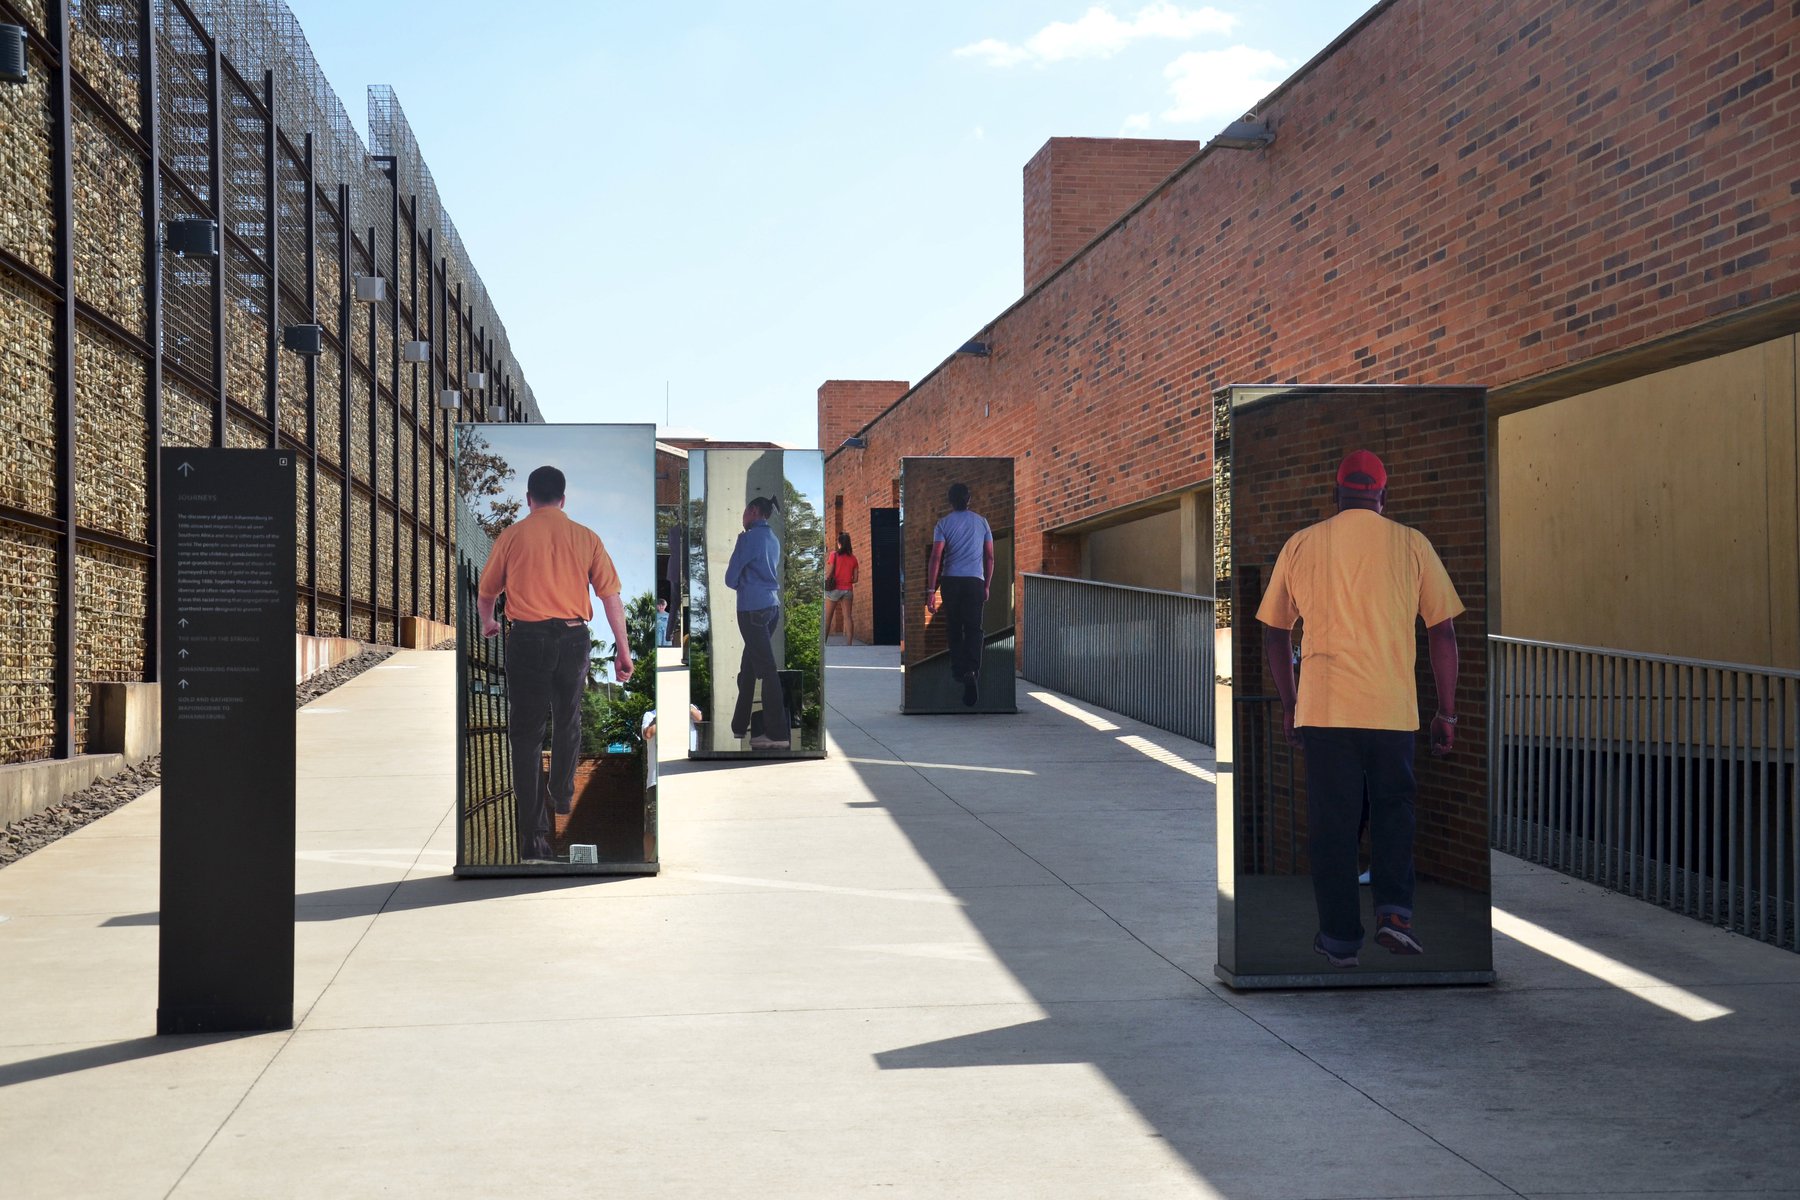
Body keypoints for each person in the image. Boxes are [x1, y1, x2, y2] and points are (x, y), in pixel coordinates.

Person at [1256, 449, 1462, 969]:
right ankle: (1395, 916)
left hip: (1323, 710)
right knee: (1395, 813)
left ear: (1336, 495)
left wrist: (1289, 702)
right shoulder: (1412, 544)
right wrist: (1447, 712)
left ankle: (1340, 940)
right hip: (1392, 710)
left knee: (1333, 826)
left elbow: (1275, 632)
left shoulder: (1302, 543)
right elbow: (1443, 632)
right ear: (1383, 497)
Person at [479, 465, 633, 864]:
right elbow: (610, 597)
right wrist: (623, 649)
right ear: (563, 499)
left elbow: (486, 593)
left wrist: (488, 621)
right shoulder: (586, 538)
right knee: (568, 718)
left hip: (527, 639)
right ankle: (563, 795)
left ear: (530, 498)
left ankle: (533, 836)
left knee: (526, 735)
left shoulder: (512, 536)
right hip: (573, 638)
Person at [724, 495, 789, 750]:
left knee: (766, 669)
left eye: (744, 511)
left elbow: (730, 579)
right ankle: (739, 726)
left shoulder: (748, 539)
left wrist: (744, 583)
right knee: (749, 667)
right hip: (771, 607)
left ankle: (777, 733)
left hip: (751, 608)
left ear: (753, 510)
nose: (742, 516)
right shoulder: (773, 539)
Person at [925, 482, 995, 707]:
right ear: (969, 499)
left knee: (954, 627)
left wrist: (930, 590)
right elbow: (990, 557)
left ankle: (958, 671)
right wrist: (986, 585)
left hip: (951, 580)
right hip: (975, 580)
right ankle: (972, 670)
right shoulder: (982, 522)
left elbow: (936, 557)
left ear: (950, 501)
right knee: (974, 628)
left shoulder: (943, 524)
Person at [824, 533, 859, 646]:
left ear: (839, 543)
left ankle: (823, 643)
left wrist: (825, 579)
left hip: (835, 589)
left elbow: (829, 573)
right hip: (848, 590)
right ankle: (849, 644)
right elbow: (856, 579)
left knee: (828, 617)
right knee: (848, 617)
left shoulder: (834, 555)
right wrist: (847, 580)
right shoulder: (853, 559)